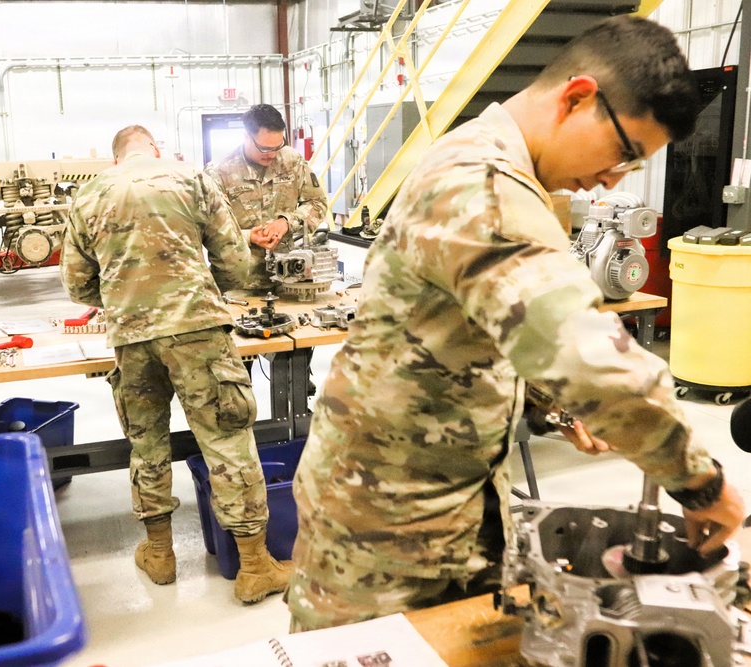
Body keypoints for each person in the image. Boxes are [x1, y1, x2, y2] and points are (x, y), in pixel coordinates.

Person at [286, 15, 747, 632]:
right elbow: (582, 352)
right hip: (385, 528)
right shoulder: (484, 184)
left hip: (434, 500)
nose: (612, 179)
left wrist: (550, 405)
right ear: (578, 97)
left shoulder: (493, 163)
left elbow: (472, 333)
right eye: (623, 154)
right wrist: (699, 480)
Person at [59, 124, 290, 604]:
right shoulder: (192, 178)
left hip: (131, 337)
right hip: (198, 330)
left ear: (117, 155)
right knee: (227, 439)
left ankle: (160, 554)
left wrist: (125, 298)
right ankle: (253, 566)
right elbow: (233, 260)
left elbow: (78, 284)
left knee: (147, 445)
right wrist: (204, 292)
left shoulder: (89, 194)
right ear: (155, 149)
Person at [205, 103, 329, 292]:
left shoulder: (292, 161)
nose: (272, 154)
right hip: (236, 284)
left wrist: (287, 222)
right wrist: (248, 236)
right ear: (246, 136)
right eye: (264, 148)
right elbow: (208, 227)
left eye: (277, 147)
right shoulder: (219, 172)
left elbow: (317, 203)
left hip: (287, 280)